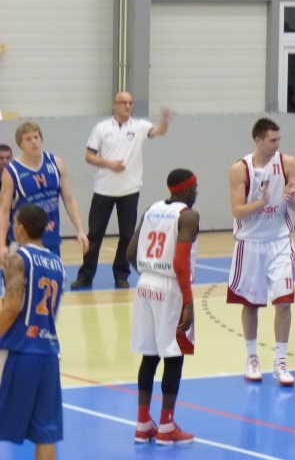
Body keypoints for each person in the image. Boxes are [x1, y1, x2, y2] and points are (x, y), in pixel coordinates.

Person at [227, 118, 295, 385]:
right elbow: (237, 211)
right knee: (251, 305)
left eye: (279, 139)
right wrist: (262, 202)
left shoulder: (288, 164)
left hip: (279, 241)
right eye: (272, 140)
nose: (277, 144)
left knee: (284, 302)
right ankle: (252, 358)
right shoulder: (240, 169)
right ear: (258, 140)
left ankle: (281, 361)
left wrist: (292, 200)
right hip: (250, 243)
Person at [128, 169, 200, 445]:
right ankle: (167, 426)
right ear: (186, 190)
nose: (196, 193)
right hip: (171, 287)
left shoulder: (151, 209)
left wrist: (150, 273)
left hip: (145, 284)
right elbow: (180, 263)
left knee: (150, 355)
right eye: (195, 188)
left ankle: (143, 424)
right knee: (174, 355)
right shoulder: (188, 216)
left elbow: (130, 253)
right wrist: (188, 301)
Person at [73, 91, 172, 290]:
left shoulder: (140, 126)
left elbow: (159, 131)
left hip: (129, 190)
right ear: (114, 105)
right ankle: (85, 276)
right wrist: (108, 163)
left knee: (127, 235)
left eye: (130, 103)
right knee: (95, 235)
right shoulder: (101, 128)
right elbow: (89, 156)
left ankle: (121, 275)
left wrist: (165, 120)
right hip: (103, 190)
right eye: (123, 102)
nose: (127, 106)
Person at [0, 203, 67, 460]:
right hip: (48, 354)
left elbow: (11, 307)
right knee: (45, 433)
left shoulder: (17, 259)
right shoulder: (58, 263)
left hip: (18, 351)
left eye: (14, 221)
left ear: (21, 227)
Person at [0, 122, 88, 261]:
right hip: (23, 241)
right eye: (28, 139)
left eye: (36, 137)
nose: (34, 142)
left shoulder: (56, 163)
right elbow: (4, 210)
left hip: (51, 237)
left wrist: (80, 230)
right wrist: (1, 245)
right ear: (20, 144)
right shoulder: (12, 171)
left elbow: (69, 199)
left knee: (52, 275)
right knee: (19, 275)